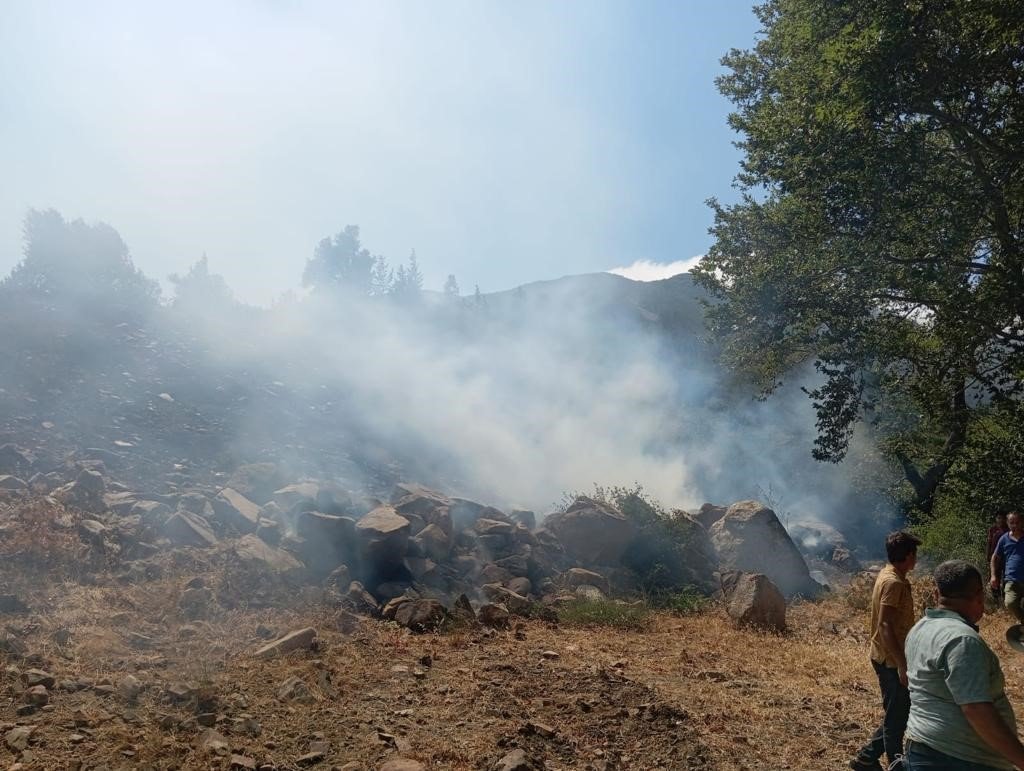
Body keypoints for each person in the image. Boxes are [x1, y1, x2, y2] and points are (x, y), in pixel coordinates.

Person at [903, 560, 1024, 770]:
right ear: (979, 595)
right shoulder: (962, 640)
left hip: (925, 751)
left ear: (936, 593)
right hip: (959, 759)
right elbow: (976, 709)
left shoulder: (920, 628)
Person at [850, 531, 921, 771]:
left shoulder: (890, 574)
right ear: (909, 555)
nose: (916, 559)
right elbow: (886, 624)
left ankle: (865, 759)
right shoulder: (893, 582)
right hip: (890, 660)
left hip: (887, 656)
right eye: (915, 554)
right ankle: (895, 765)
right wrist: (902, 664)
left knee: (897, 713)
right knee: (896, 720)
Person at [991, 511, 1024, 623]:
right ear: (1008, 523)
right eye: (1012, 522)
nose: (1014, 525)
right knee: (1010, 603)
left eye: (1017, 522)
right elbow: (994, 558)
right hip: (1011, 579)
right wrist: (993, 576)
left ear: (1022, 522)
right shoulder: (1004, 539)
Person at [989, 512, 1009, 601]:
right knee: (994, 578)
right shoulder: (993, 529)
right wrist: (988, 557)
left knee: (1006, 579)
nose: (1000, 520)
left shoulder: (1009, 530)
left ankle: (1005, 599)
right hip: (995, 558)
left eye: (1002, 518)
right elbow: (989, 543)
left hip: (1006, 559)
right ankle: (996, 600)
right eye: (998, 518)